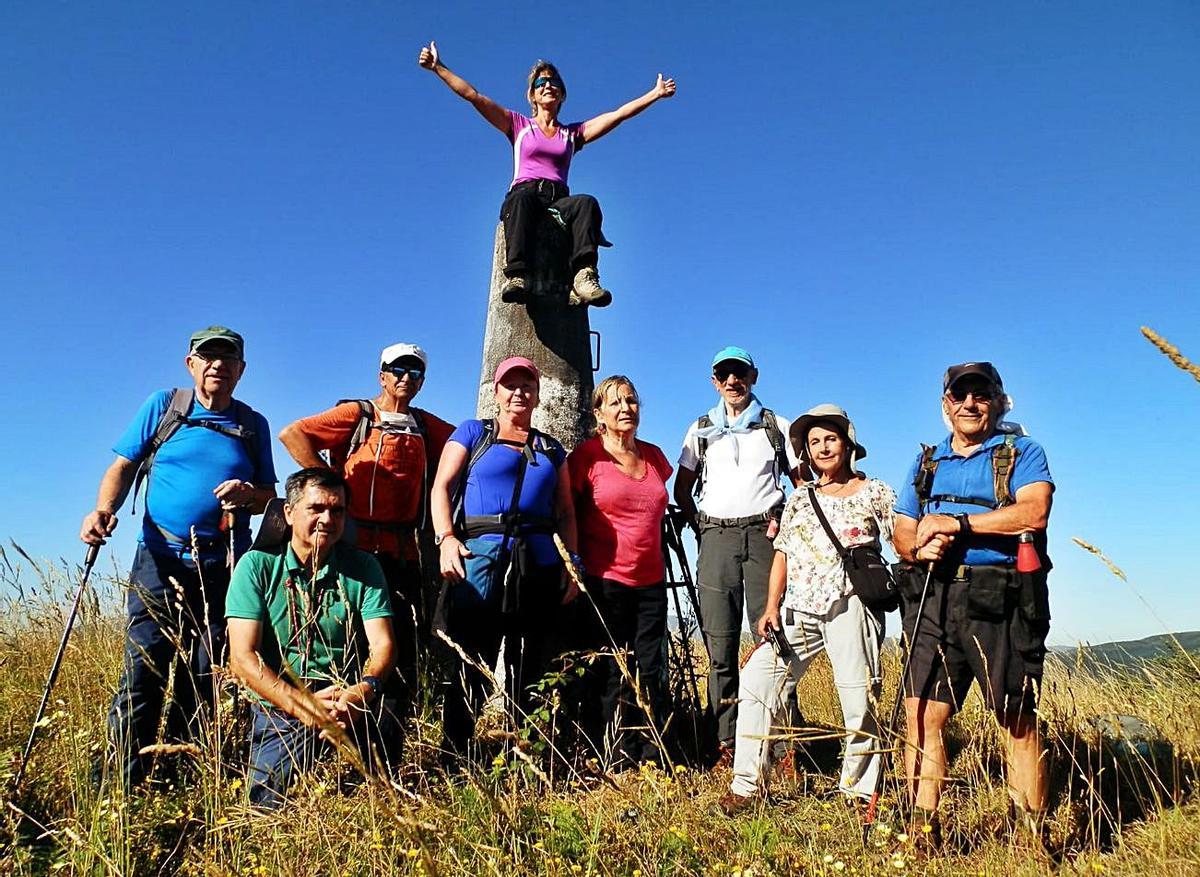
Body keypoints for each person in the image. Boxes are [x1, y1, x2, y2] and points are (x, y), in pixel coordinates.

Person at [80, 326, 277, 787]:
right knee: (143, 669)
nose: (217, 366)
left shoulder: (252, 425)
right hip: (159, 557)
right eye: (207, 357)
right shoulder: (165, 407)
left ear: (241, 371)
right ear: (191, 364)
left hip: (223, 564)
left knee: (203, 674)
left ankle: (181, 774)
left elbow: (269, 492)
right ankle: (117, 783)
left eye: (228, 360)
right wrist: (103, 511)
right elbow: (122, 466)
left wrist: (249, 493)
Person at [893, 362, 1054, 849]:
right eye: (959, 395)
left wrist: (956, 525)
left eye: (981, 395)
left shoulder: (1021, 451)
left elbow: (1034, 511)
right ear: (946, 405)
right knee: (921, 714)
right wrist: (919, 545)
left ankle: (1030, 836)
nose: (970, 403)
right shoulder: (927, 462)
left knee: (1016, 718)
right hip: (933, 593)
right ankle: (922, 832)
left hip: (999, 594)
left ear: (999, 402)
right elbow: (902, 528)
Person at [720, 405, 892, 815]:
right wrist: (770, 606)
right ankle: (746, 786)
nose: (822, 447)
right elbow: (782, 552)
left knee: (858, 699)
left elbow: (900, 539)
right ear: (807, 452)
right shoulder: (800, 498)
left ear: (848, 443)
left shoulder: (876, 492)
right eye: (814, 442)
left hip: (852, 605)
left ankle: (858, 793)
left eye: (830, 439)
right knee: (758, 682)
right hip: (799, 609)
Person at [417, 41, 676, 307]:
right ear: (532, 95)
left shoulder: (571, 134)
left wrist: (654, 94)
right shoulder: (518, 125)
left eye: (553, 83)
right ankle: (517, 275)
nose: (547, 86)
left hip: (558, 200)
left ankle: (584, 275)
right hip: (526, 193)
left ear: (562, 95)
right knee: (519, 201)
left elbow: (618, 115)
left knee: (586, 203)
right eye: (540, 83)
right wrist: (438, 68)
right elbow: (474, 95)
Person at [278, 342, 454, 709]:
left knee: (399, 647)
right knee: (349, 642)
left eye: (415, 372)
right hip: (353, 549)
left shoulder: (424, 425)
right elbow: (293, 434)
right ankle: (335, 727)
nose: (406, 378)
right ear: (382, 376)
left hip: (405, 553)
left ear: (422, 381)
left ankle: (386, 739)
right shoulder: (358, 414)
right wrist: (331, 486)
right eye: (398, 370)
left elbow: (463, 444)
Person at [429, 356, 579, 761]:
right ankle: (456, 756)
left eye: (527, 386)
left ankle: (529, 755)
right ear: (495, 392)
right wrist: (445, 538)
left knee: (534, 663)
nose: (519, 393)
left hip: (539, 564)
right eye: (510, 385)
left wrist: (572, 565)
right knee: (470, 658)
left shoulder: (550, 448)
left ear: (537, 394)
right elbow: (441, 487)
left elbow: (565, 511)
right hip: (480, 560)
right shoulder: (474, 434)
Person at [226, 468, 399, 809]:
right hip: (283, 697)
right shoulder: (257, 566)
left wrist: (364, 689)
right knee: (267, 806)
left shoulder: (363, 567)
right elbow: (243, 658)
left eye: (337, 511)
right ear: (288, 513)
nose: (327, 519)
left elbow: (383, 645)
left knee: (382, 800)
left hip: (346, 693)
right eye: (316, 508)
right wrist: (303, 706)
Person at [673, 346, 800, 759]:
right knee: (719, 646)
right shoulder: (701, 429)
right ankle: (725, 742)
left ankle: (781, 746)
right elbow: (682, 488)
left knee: (774, 639)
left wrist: (784, 518)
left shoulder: (776, 427)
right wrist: (703, 527)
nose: (732, 381)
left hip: (765, 537)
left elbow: (803, 486)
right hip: (716, 539)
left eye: (739, 372)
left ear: (754, 376)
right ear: (714, 381)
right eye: (724, 374)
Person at [568, 375, 674, 769]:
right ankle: (609, 754)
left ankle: (652, 755)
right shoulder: (586, 458)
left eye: (630, 401)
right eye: (614, 403)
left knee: (650, 668)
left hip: (650, 581)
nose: (625, 408)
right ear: (599, 414)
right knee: (610, 668)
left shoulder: (656, 458)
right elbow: (568, 513)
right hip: (604, 578)